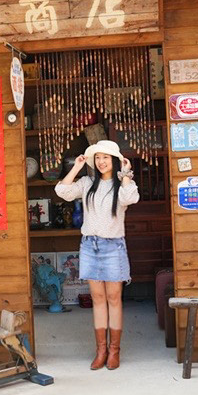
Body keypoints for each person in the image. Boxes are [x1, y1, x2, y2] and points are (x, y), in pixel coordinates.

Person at [54, 140, 139, 370]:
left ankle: (114, 351)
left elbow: (131, 198)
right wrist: (77, 166)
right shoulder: (87, 183)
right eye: (98, 157)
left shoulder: (122, 185)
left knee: (113, 299)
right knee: (98, 300)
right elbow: (61, 191)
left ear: (114, 160)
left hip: (113, 247)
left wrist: (127, 173)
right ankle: (100, 350)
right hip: (90, 246)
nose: (101, 161)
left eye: (106, 157)